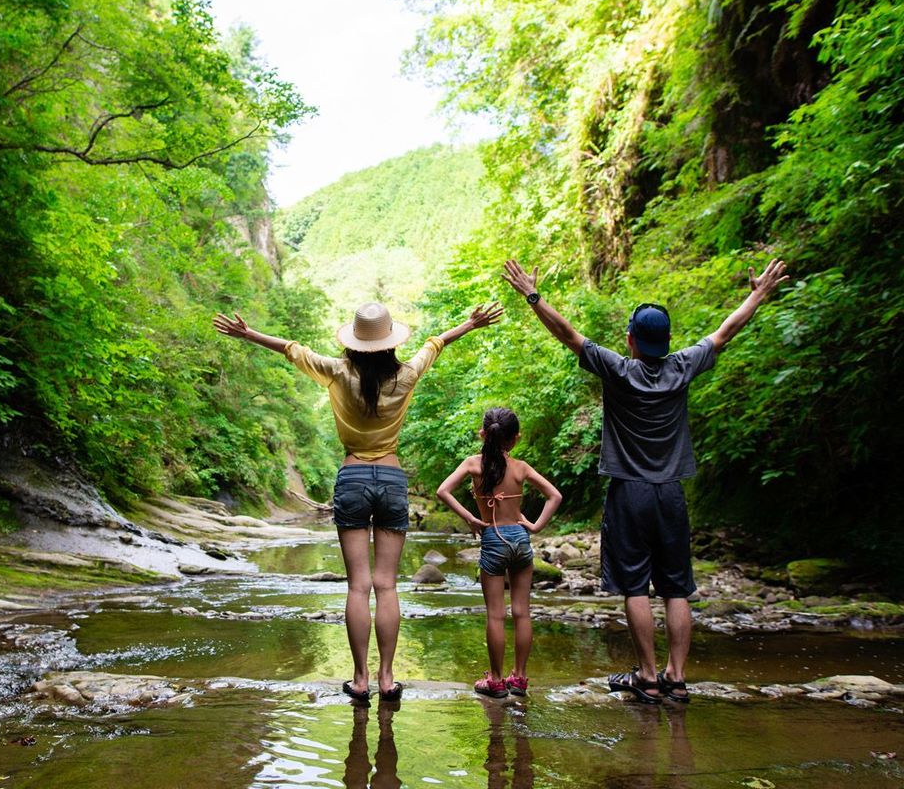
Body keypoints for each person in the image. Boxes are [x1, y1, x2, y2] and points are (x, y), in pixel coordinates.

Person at [500, 257, 789, 703]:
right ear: (667, 341)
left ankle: (649, 677)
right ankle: (677, 676)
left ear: (631, 339)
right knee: (676, 586)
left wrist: (533, 295)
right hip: (671, 492)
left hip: (628, 492)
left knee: (634, 585)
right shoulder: (683, 367)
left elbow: (567, 334)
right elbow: (726, 331)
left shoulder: (619, 369)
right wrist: (759, 293)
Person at [213, 301, 503, 702]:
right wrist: (470, 323)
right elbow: (437, 343)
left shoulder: (336, 373)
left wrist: (248, 334)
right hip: (391, 478)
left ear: (354, 343)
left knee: (357, 586)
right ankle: (387, 679)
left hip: (351, 478)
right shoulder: (405, 375)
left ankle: (360, 679)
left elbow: (290, 348)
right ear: (389, 343)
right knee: (386, 586)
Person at [436, 408, 561, 698]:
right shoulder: (521, 468)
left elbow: (443, 491)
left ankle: (494, 680)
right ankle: (519, 678)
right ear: (515, 439)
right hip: (520, 538)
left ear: (483, 434)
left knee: (495, 615)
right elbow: (555, 496)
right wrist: (536, 526)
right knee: (522, 612)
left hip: (492, 538)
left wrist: (470, 518)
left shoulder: (473, 464)